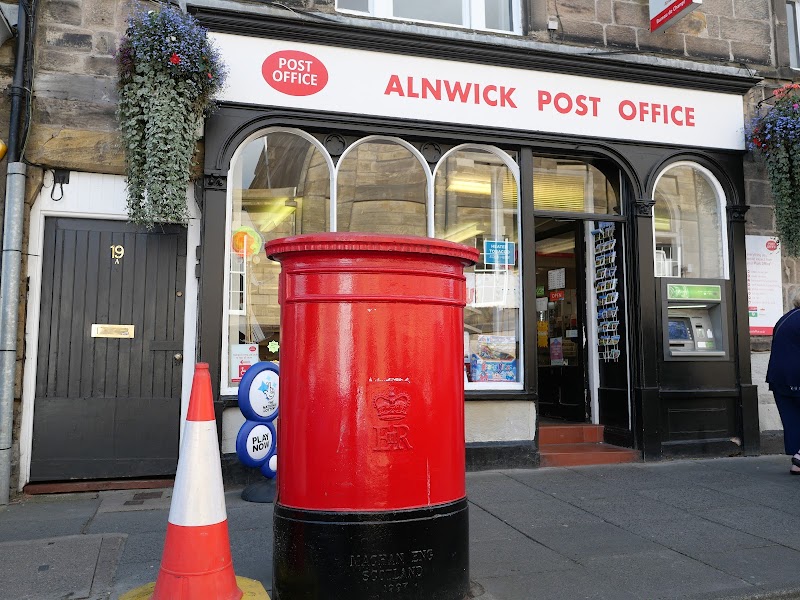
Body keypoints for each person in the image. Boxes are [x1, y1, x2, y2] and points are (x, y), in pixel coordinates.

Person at [767, 291, 800, 475]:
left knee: (793, 419)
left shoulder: (785, 318)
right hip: (796, 375)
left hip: (779, 378)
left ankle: (797, 462)